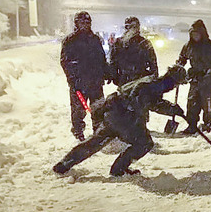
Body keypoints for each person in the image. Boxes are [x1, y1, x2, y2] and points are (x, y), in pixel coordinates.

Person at [52, 65, 190, 177]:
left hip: (113, 113)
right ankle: (118, 169)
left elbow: (146, 99)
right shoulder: (157, 85)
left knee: (95, 142)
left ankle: (64, 164)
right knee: (145, 143)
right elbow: (147, 102)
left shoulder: (150, 80)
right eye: (178, 84)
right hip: (125, 117)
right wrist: (171, 109)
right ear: (175, 81)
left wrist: (170, 108)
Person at [60, 11, 109, 141]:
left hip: (95, 82)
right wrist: (72, 78)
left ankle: (98, 131)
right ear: (76, 23)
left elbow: (101, 58)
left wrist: (107, 72)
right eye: (82, 22)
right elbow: (65, 62)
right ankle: (78, 131)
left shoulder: (95, 39)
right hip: (79, 82)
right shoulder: (70, 40)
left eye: (87, 22)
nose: (85, 25)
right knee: (79, 109)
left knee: (98, 108)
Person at [175, 20, 211, 134]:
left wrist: (207, 77)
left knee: (207, 104)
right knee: (192, 103)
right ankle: (192, 125)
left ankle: (209, 124)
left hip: (208, 80)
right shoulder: (188, 46)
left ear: (202, 34)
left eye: (197, 34)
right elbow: (182, 58)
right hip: (195, 79)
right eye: (193, 34)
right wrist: (178, 68)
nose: (195, 36)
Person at [109, 16, 158, 86]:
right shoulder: (119, 43)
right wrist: (114, 77)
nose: (132, 29)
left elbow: (153, 62)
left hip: (141, 81)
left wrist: (153, 78)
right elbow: (113, 62)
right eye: (129, 27)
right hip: (124, 80)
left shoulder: (144, 43)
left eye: (134, 27)